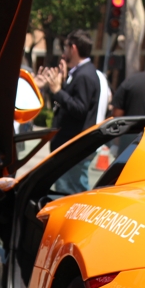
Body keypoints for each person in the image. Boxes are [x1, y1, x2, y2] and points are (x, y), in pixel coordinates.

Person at [34, 29, 100, 194]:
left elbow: (80, 109)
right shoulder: (80, 73)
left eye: (65, 47)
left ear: (73, 48)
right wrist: (59, 86)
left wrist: (58, 91)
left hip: (73, 147)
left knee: (69, 192)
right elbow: (70, 103)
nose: (63, 52)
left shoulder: (84, 75)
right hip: (69, 146)